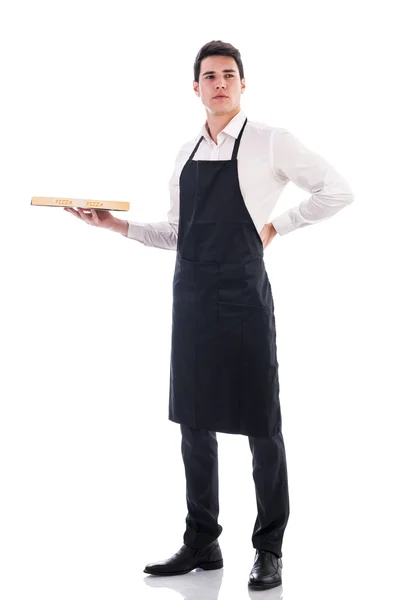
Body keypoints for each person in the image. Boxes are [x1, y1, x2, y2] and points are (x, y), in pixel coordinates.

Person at [65, 40, 354, 591]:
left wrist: (279, 226)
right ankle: (203, 541)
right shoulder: (185, 152)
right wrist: (114, 225)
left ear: (244, 85)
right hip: (193, 299)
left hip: (244, 297)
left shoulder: (271, 141)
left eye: (228, 75)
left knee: (262, 426)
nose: (219, 83)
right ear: (194, 88)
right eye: (209, 76)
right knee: (194, 424)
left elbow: (337, 191)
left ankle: (269, 548)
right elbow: (177, 233)